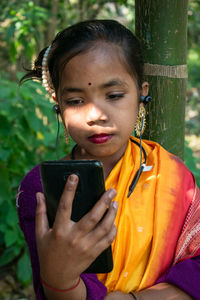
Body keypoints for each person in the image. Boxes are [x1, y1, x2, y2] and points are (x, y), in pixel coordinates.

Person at [17, 20, 200, 300]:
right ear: (58, 103)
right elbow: (57, 288)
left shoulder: (173, 177)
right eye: (76, 101)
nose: (96, 115)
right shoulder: (41, 189)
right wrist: (59, 275)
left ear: (142, 94)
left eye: (113, 95)